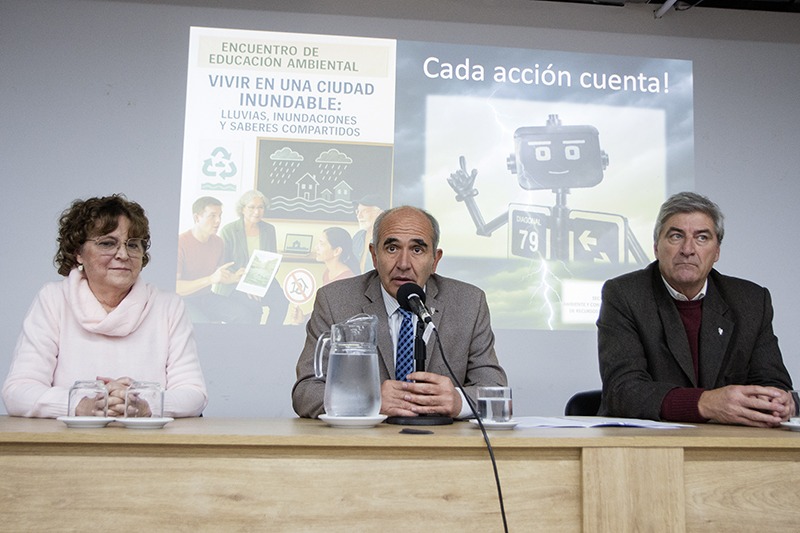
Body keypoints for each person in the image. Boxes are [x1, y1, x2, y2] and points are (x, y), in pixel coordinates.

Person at [596, 191, 794, 427]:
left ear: (717, 251)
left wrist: (782, 402)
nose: (688, 249)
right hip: (648, 446)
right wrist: (706, 402)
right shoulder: (625, 294)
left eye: (702, 238)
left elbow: (773, 383)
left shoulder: (751, 300)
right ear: (657, 247)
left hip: (727, 444)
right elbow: (623, 390)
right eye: (676, 236)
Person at [292, 205, 507, 419]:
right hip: (364, 444)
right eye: (392, 249)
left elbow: (495, 390)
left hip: (440, 446)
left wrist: (459, 401)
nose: (403, 264)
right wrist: (370, 400)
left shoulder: (469, 302)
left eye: (417, 250)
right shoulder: (335, 301)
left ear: (435, 260)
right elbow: (305, 392)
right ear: (374, 256)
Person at [2, 194, 207, 418]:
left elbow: (193, 394)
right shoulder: (53, 299)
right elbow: (18, 392)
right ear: (78, 253)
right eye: (108, 243)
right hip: (70, 446)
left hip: (149, 447)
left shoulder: (168, 306)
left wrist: (143, 404)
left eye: (133, 245)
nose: (123, 254)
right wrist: (83, 404)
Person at [176, 196, 262, 324]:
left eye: (220, 216)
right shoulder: (180, 243)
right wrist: (210, 279)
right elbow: (176, 287)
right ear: (197, 218)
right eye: (212, 216)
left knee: (244, 315)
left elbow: (219, 275)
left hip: (206, 297)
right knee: (204, 325)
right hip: (182, 300)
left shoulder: (218, 242)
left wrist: (235, 278)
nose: (218, 221)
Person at [216, 190, 289, 325]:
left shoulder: (269, 229)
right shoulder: (229, 230)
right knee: (253, 308)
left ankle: (269, 338)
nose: (257, 212)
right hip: (235, 283)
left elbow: (273, 259)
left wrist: (257, 284)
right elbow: (223, 264)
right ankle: (251, 343)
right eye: (252, 207)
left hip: (261, 280)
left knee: (282, 302)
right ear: (242, 209)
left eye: (260, 207)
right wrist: (246, 284)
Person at [351, 195, 384, 274]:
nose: (359, 216)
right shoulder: (357, 237)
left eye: (365, 211)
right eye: (358, 211)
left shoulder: (388, 239)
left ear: (380, 213)